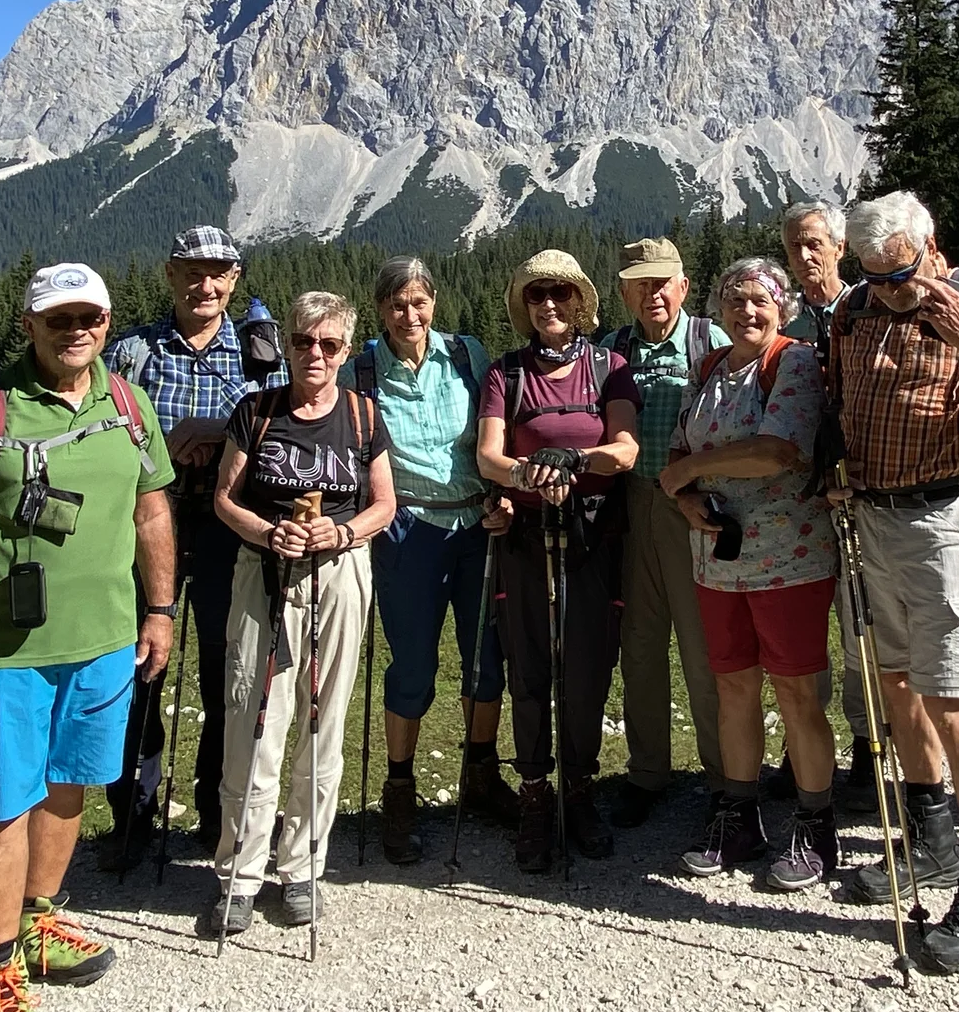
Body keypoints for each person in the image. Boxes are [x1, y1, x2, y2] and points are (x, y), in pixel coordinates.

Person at [0, 263, 176, 1012]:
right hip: (2, 651)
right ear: (28, 325)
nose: (76, 330)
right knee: (3, 803)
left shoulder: (128, 404)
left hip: (104, 643)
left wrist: (158, 610)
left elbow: (151, 514)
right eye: (58, 318)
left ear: (108, 321)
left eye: (89, 316)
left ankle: (42, 919)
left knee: (69, 785)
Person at [826, 191, 959, 974]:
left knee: (952, 701)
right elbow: (842, 403)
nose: (888, 289)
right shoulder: (855, 311)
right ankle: (933, 841)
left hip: (945, 514)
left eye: (900, 274)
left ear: (931, 246)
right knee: (896, 689)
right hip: (871, 517)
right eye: (873, 276)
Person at [206, 292, 394, 935]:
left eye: (330, 345)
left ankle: (304, 868)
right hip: (264, 573)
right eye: (303, 343)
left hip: (339, 574)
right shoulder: (256, 412)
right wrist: (266, 532)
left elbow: (383, 505)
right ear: (285, 345)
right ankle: (239, 873)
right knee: (254, 720)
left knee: (324, 721)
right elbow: (225, 500)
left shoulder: (364, 416)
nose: (315, 355)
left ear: (346, 350)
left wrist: (340, 536)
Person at [101, 225, 286, 867]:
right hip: (144, 523)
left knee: (221, 669)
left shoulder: (261, 354)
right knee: (133, 668)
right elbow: (98, 435)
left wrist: (220, 431)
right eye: (192, 271)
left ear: (234, 279)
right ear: (171, 274)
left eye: (219, 273)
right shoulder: (131, 354)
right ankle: (132, 810)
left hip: (226, 527)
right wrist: (163, 442)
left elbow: (289, 436)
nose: (205, 285)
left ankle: (215, 806)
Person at [659, 258, 842, 891]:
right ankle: (738, 814)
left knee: (795, 692)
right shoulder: (708, 367)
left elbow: (777, 451)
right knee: (734, 687)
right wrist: (684, 494)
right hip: (719, 560)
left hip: (789, 557)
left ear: (782, 307)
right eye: (735, 300)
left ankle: (816, 824)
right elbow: (677, 454)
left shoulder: (793, 363)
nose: (747, 312)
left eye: (760, 300)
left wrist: (687, 473)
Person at [342, 256, 519, 865]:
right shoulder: (361, 368)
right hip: (407, 529)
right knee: (412, 664)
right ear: (380, 310)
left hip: (476, 524)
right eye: (396, 305)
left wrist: (504, 496)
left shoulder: (468, 356)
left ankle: (481, 773)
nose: (408, 316)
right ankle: (399, 788)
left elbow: (499, 433)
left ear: (434, 303)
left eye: (418, 303)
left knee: (484, 659)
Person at [476, 250, 642, 873]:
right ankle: (536, 793)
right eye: (538, 294)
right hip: (524, 533)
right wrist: (531, 474)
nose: (549, 304)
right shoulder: (506, 373)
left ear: (579, 303)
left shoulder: (610, 367)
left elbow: (624, 451)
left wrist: (576, 463)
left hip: (593, 533)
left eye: (561, 294)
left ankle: (579, 784)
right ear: (525, 305)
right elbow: (489, 456)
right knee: (529, 666)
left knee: (587, 665)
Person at [597, 238, 727, 829]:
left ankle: (727, 777)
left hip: (693, 506)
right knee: (639, 646)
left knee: (703, 649)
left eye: (662, 281)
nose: (652, 293)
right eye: (640, 283)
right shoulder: (612, 351)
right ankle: (647, 772)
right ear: (625, 291)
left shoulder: (709, 343)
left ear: (682, 285)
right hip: (630, 507)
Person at [776, 200, 874, 805]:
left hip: (859, 495)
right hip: (798, 500)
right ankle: (802, 751)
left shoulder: (865, 308)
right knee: (801, 630)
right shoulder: (783, 320)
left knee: (861, 625)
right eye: (794, 247)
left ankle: (868, 751)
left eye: (815, 243)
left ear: (840, 246)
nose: (806, 256)